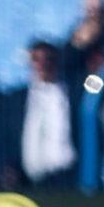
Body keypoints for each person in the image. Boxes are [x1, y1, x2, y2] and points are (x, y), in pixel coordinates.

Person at [17, 40, 76, 187]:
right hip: (28, 178)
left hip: (67, 176)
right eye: (36, 59)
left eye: (48, 59)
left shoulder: (72, 93)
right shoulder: (17, 98)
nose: (42, 65)